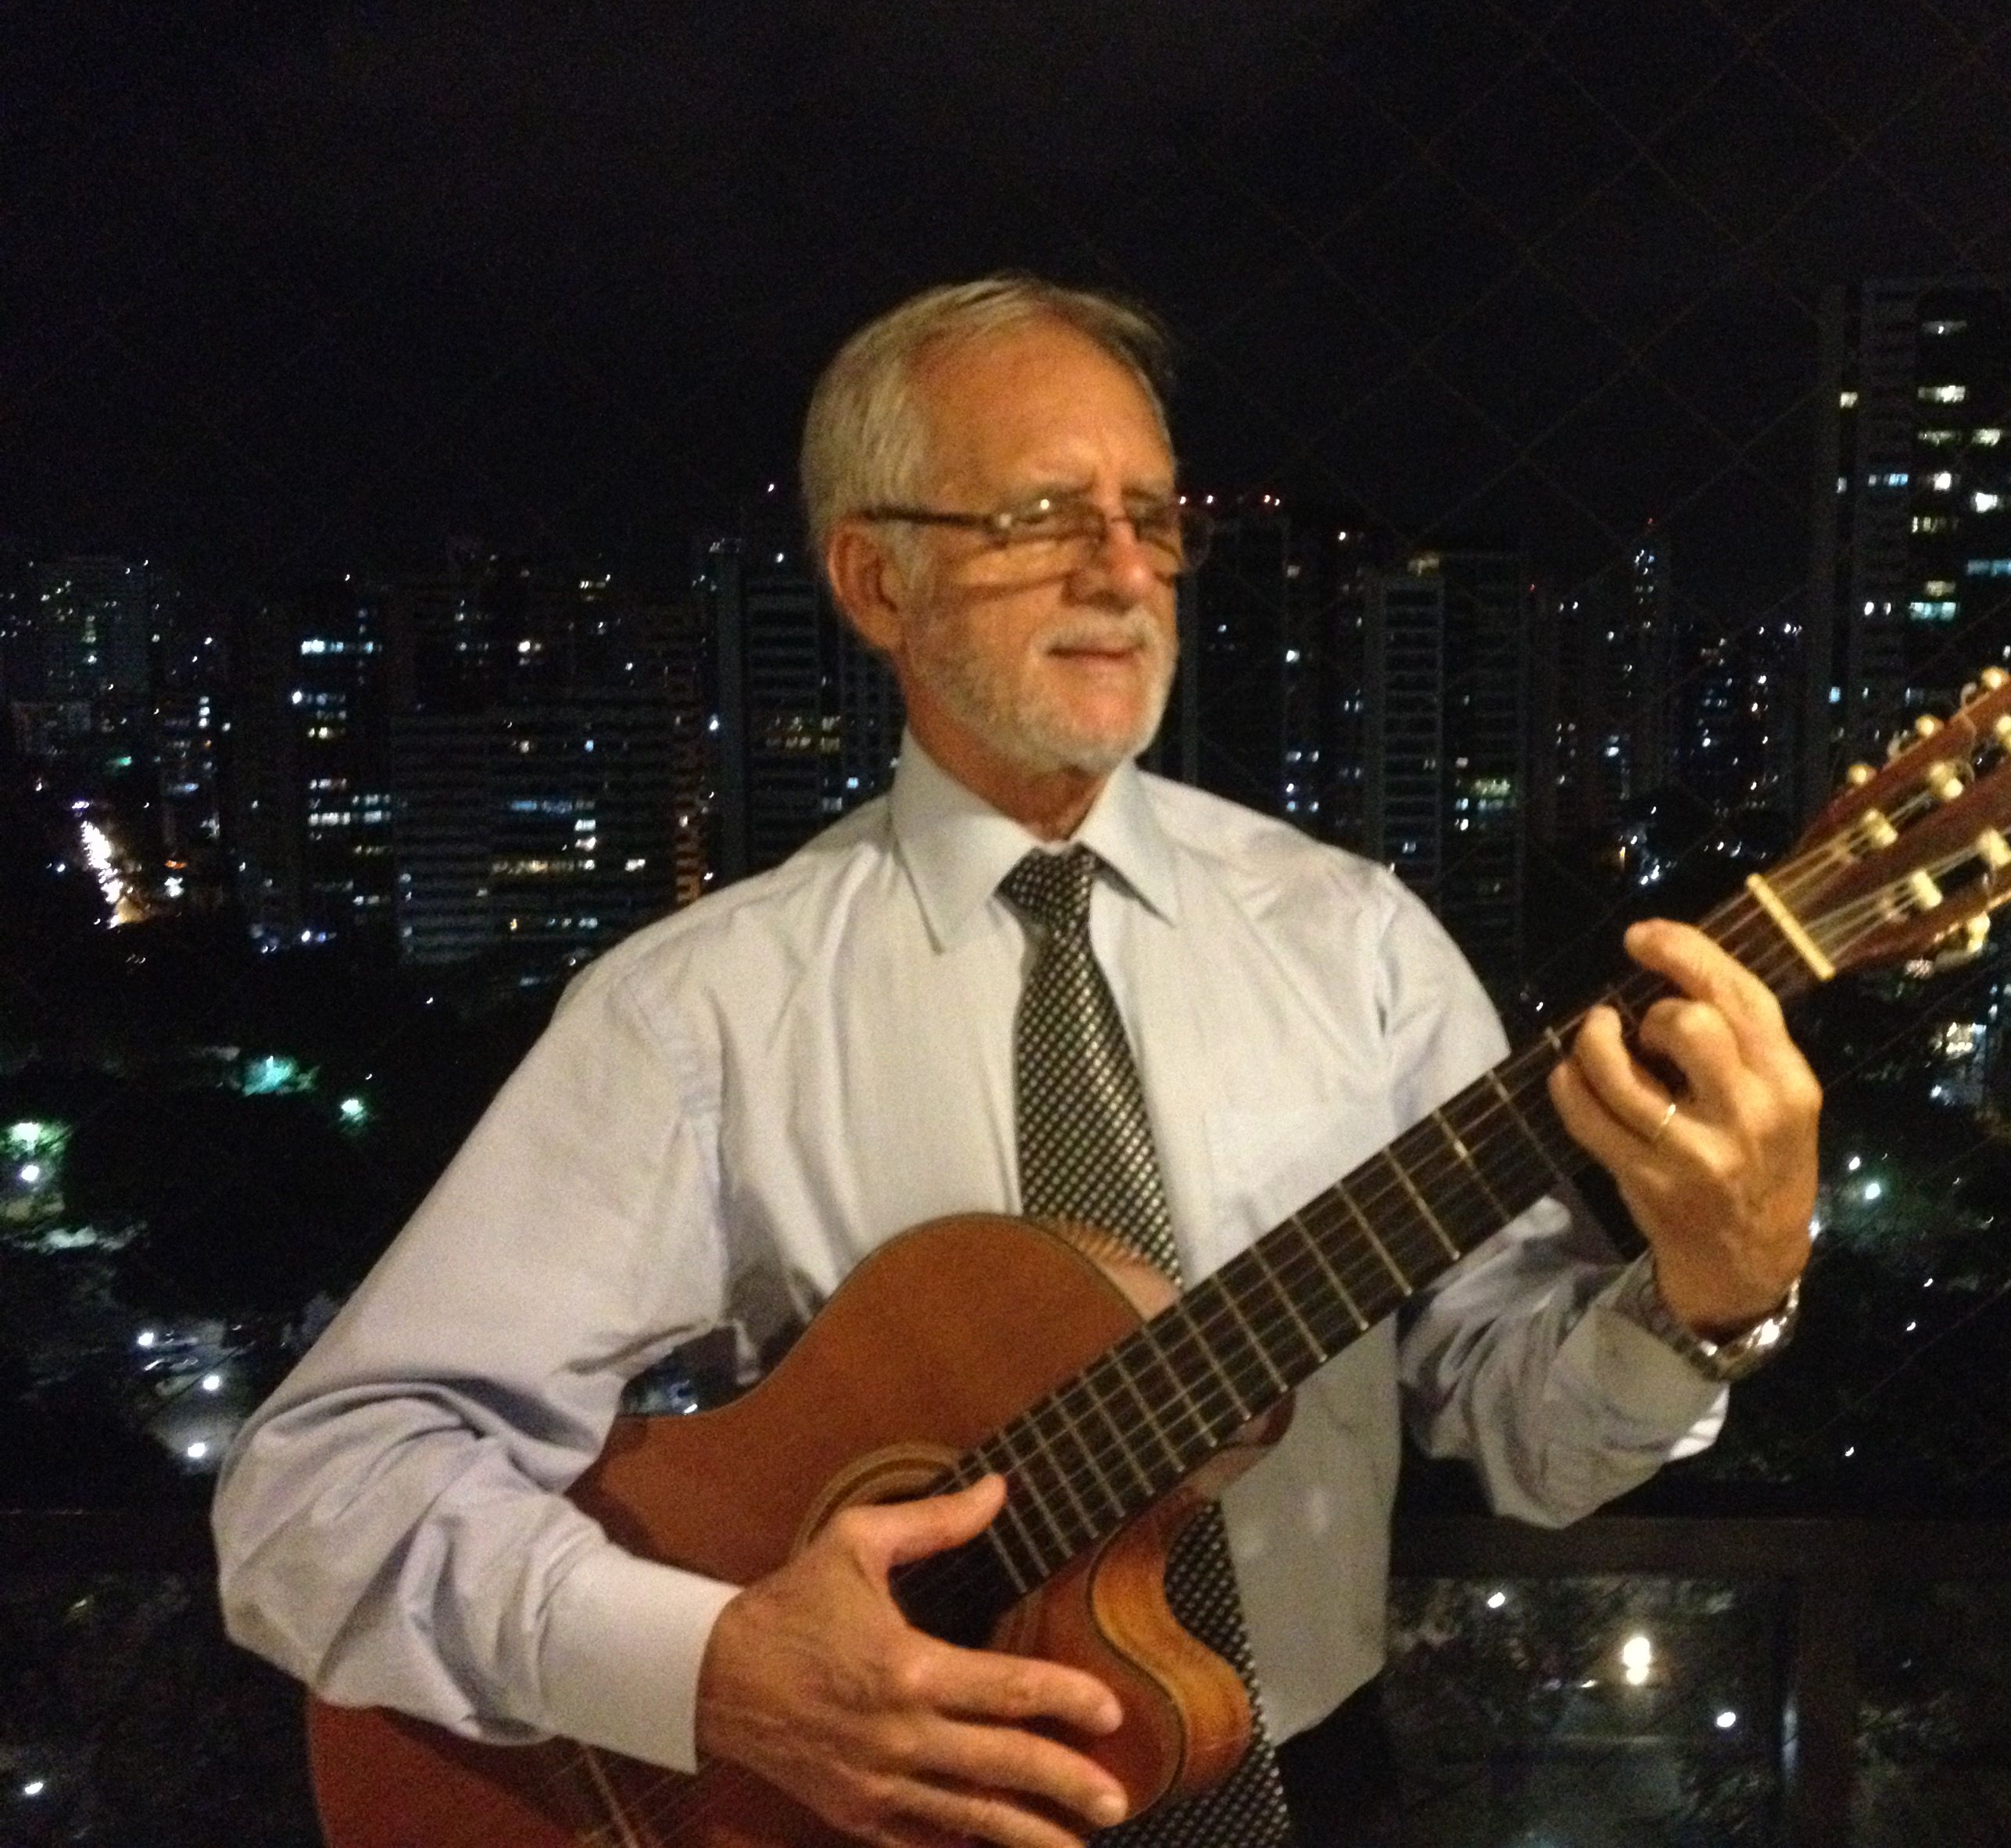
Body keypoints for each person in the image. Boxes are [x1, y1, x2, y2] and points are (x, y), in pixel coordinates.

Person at [213, 277, 1821, 1848]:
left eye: (1156, 515)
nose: (1125, 570)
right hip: (864, 1810)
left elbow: (1530, 1437)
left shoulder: (1362, 944)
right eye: (1045, 516)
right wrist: (711, 1672)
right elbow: (314, 1495)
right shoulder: (701, 1007)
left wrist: (1712, 1300)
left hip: (1309, 1788)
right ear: (873, 580)